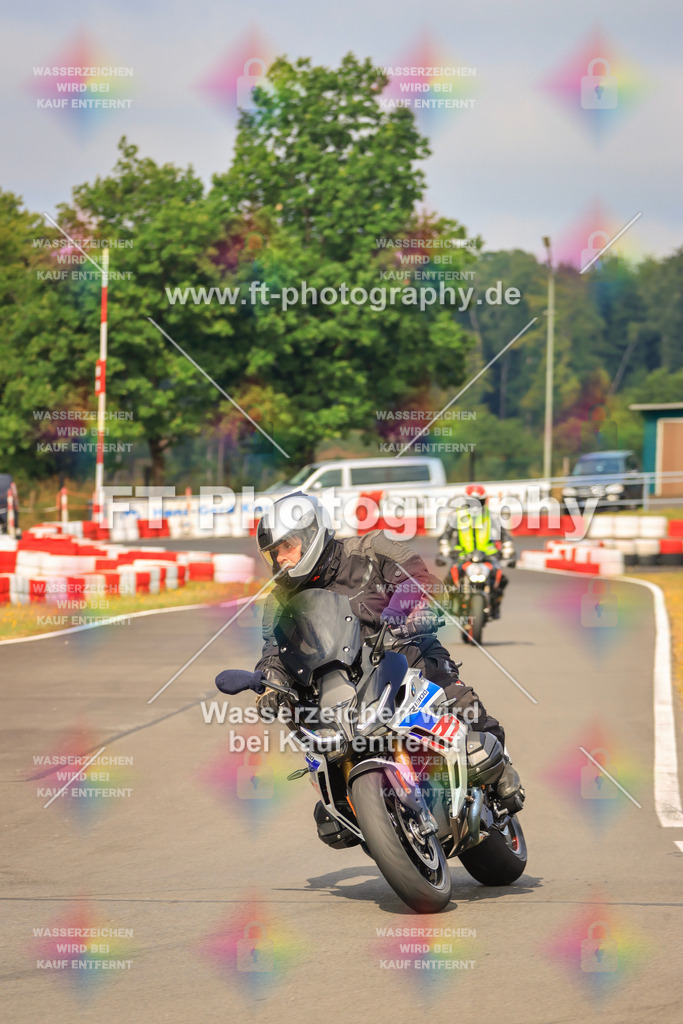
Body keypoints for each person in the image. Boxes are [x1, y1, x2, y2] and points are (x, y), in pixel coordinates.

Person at [252, 492, 524, 826]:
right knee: (329, 803)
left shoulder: (370, 549)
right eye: (274, 554)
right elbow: (274, 649)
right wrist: (270, 682)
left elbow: (422, 581)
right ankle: (355, 803)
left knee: (464, 708)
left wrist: (412, 614)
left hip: (406, 654)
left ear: (312, 534)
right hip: (344, 688)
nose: (281, 560)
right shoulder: (279, 600)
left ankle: (502, 771)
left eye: (287, 547)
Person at [437, 484, 513, 619]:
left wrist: (508, 551)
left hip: (488, 556)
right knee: (449, 580)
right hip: (462, 556)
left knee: (501, 579)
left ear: (485, 501)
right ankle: (447, 606)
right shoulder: (456, 516)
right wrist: (445, 550)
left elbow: (504, 536)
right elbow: (445, 536)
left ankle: (495, 606)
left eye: (480, 501)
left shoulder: (492, 516)